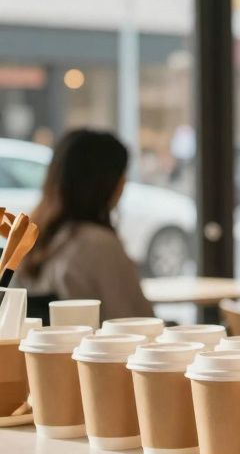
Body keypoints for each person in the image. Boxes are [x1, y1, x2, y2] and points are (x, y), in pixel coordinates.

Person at [18, 129, 154, 320]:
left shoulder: (30, 240)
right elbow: (137, 323)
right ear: (107, 184)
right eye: (122, 176)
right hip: (101, 348)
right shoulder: (99, 244)